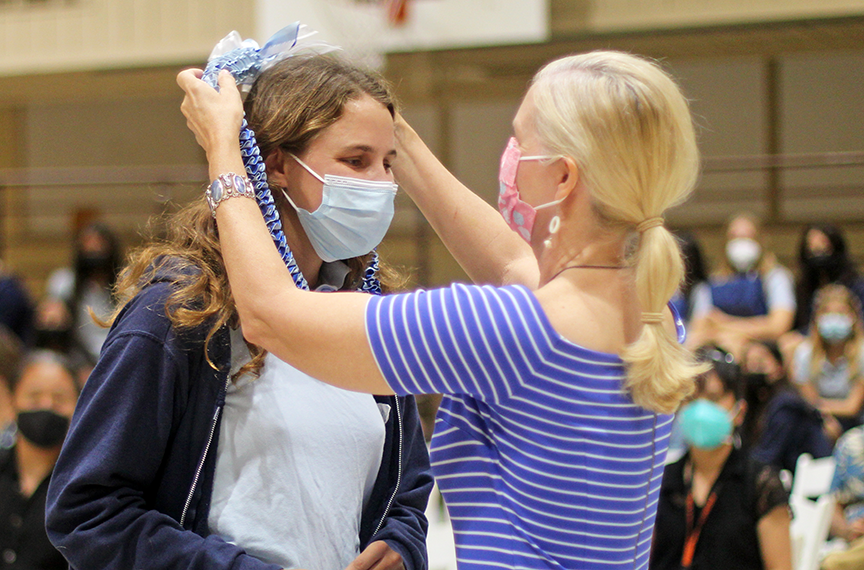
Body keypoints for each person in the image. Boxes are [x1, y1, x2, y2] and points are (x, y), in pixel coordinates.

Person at [178, 49, 708, 569]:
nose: (508, 155)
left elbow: (270, 313)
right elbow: (509, 262)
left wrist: (223, 149)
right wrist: (387, 129)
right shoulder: (653, 311)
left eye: (518, 141)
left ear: (563, 177)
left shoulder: (507, 328)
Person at [45, 54, 432, 570]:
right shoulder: (177, 313)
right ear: (277, 166)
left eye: (388, 162)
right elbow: (86, 511)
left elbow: (406, 487)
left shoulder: (369, 310)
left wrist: (403, 544)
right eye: (356, 161)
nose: (380, 184)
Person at [650, 345, 792, 570]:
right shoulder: (662, 480)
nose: (701, 409)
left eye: (714, 398)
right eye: (692, 399)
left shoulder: (761, 484)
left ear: (740, 412)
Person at [1, 350, 79, 570]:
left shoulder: (83, 486)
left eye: (59, 398)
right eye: (34, 396)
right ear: (12, 398)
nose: (46, 405)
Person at [688, 212, 796, 356]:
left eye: (748, 237)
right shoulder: (711, 282)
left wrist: (723, 323)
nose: (741, 243)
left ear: (760, 241)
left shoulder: (776, 277)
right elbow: (699, 327)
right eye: (734, 237)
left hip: (762, 347)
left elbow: (779, 326)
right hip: (718, 344)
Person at [739, 339, 832, 473]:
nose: (755, 369)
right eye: (750, 364)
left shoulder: (786, 405)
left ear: (780, 366)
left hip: (807, 480)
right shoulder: (754, 404)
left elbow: (768, 456)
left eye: (761, 362)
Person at [36, 222, 122, 365]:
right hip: (77, 359)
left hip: (118, 357)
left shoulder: (126, 284)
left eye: (99, 244)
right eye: (88, 244)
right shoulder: (63, 282)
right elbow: (49, 316)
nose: (94, 250)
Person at [792, 284, 864, 433]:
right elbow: (811, 403)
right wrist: (827, 420)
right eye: (827, 312)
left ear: (853, 318)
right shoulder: (804, 353)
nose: (834, 318)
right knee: (786, 408)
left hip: (855, 423)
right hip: (817, 421)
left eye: (840, 313)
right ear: (817, 318)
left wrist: (822, 408)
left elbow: (852, 407)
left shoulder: (862, 353)